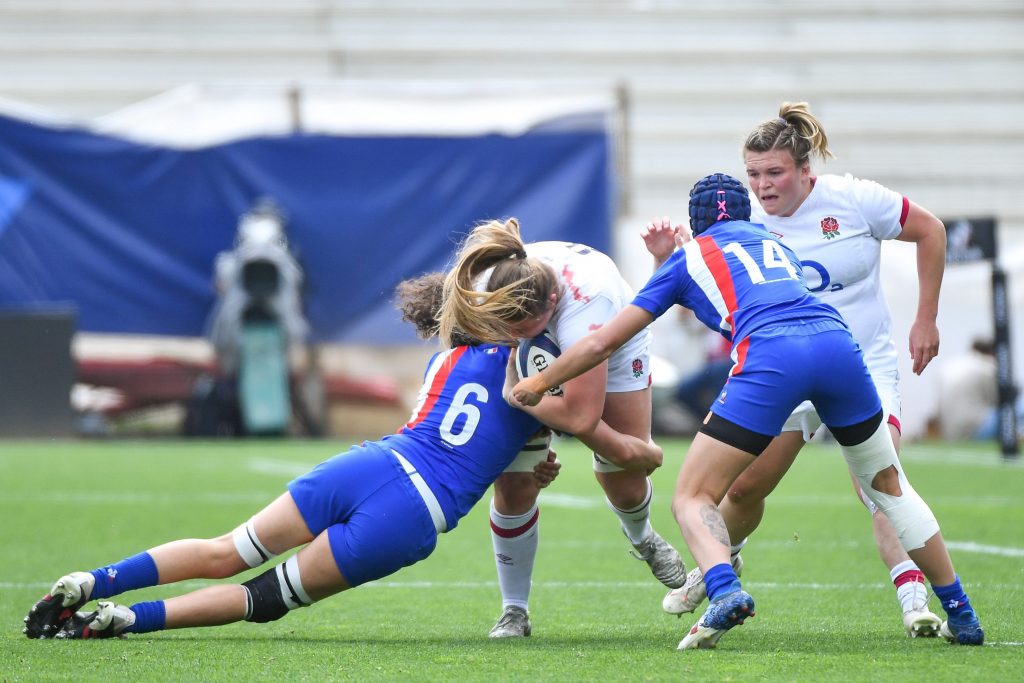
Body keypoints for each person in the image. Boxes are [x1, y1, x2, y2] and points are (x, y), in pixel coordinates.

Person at [23, 273, 662, 641]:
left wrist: (527, 458)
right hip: (411, 513)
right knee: (260, 597)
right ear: (541, 312)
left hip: (370, 465)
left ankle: (92, 581)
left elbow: (467, 432)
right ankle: (123, 621)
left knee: (227, 549)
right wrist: (625, 450)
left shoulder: (446, 357)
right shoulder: (538, 365)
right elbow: (548, 435)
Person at [511, 173, 984, 650]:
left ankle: (724, 589)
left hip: (772, 358)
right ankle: (961, 612)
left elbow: (603, 342)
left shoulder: (688, 258)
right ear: (747, 213)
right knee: (889, 488)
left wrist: (538, 383)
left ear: (695, 224)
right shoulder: (776, 244)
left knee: (692, 496)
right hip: (837, 344)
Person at [657, 102, 951, 638]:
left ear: (805, 169)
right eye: (753, 174)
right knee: (744, 489)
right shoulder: (743, 222)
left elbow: (930, 230)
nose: (762, 185)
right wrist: (668, 261)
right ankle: (719, 570)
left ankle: (915, 602)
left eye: (774, 172)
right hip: (785, 371)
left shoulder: (855, 199)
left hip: (859, 365)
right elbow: (700, 300)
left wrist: (925, 318)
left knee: (879, 485)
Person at [437, 219, 686, 638]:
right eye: (505, 326)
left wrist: (518, 396)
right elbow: (466, 350)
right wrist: (522, 426)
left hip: (614, 346)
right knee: (515, 483)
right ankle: (514, 610)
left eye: (522, 328)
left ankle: (642, 536)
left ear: (552, 302)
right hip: (521, 361)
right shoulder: (487, 285)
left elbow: (581, 419)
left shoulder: (588, 306)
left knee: (624, 476)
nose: (513, 334)